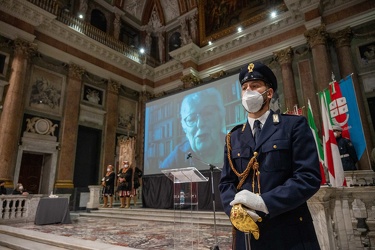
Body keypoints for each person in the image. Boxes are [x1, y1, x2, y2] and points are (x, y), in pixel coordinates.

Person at [218, 62, 321, 250]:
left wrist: (264, 202)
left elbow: (308, 177)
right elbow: (226, 183)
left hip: (288, 232)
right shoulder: (233, 137)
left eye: (255, 86)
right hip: (247, 236)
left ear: (269, 93)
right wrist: (235, 210)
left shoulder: (293, 126)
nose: (248, 91)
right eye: (244, 88)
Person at [160, 87, 226, 169]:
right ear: (184, 128)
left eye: (207, 113)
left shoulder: (234, 146)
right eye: (191, 119)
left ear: (220, 118)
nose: (200, 124)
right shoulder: (177, 156)